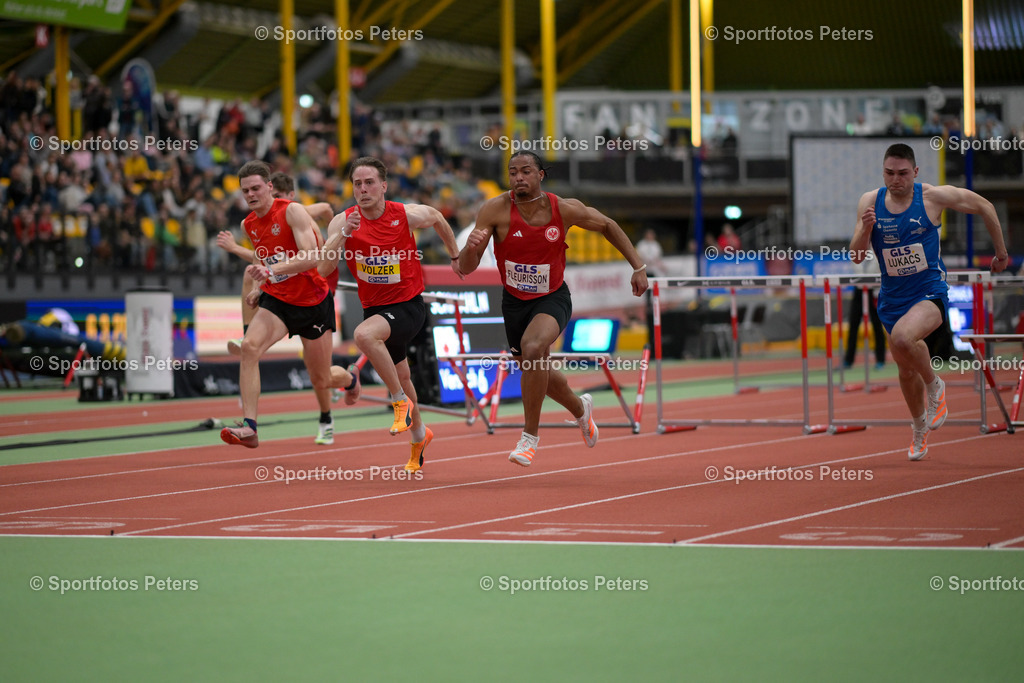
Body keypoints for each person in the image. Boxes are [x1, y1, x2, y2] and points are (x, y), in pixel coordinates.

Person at [458, 151, 648, 467]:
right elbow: (465, 267)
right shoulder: (494, 210)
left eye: (526, 171)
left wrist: (638, 266)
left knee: (534, 348)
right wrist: (471, 247)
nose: (518, 177)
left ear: (540, 175)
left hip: (552, 297)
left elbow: (608, 225)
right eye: (513, 172)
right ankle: (579, 409)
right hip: (514, 302)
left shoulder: (564, 209)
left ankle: (529, 438)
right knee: (535, 369)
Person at [849, 143, 1010, 461]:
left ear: (916, 172)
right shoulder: (870, 202)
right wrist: (866, 230)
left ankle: (936, 386)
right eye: (889, 173)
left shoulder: (932, 198)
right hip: (891, 301)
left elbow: (984, 206)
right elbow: (855, 255)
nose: (896, 180)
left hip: (929, 294)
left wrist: (1001, 254)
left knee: (903, 338)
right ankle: (919, 428)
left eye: (903, 174)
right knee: (905, 370)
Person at [314, 156, 462, 473]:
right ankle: (420, 435)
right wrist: (342, 235)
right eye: (357, 183)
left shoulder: (403, 214)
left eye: (369, 183)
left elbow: (436, 216)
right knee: (404, 374)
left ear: (383, 186)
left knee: (364, 335)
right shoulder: (343, 221)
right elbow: (324, 269)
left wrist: (454, 255)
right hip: (376, 308)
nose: (363, 189)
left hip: (408, 305)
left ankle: (398, 403)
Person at [219, 161, 356, 449]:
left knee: (322, 378)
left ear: (269, 187)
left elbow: (312, 257)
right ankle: (250, 427)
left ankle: (351, 379)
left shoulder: (291, 210)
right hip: (278, 300)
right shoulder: (248, 224)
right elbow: (263, 259)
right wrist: (259, 286)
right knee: (249, 348)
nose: (251, 195)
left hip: (312, 303)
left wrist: (272, 271)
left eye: (256, 188)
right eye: (245, 191)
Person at [843, 251, 886, 370]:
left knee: (877, 325)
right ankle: (848, 360)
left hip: (875, 290)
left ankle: (880, 359)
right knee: (853, 324)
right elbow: (856, 269)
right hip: (859, 290)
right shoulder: (856, 251)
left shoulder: (877, 250)